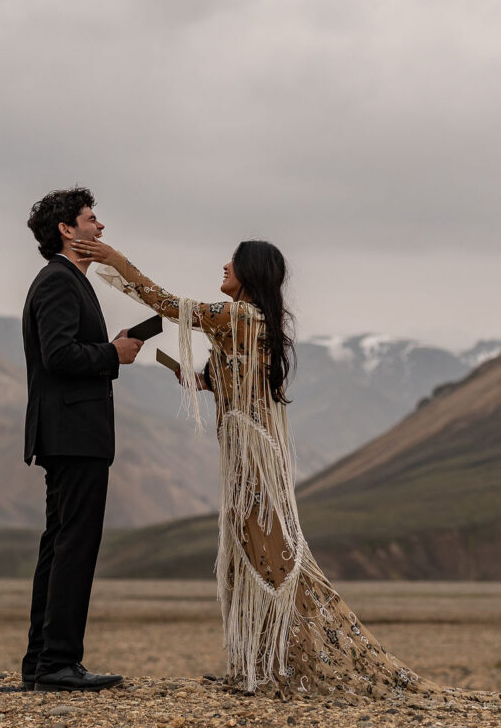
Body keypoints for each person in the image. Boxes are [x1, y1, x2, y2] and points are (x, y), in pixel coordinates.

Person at [72, 236, 441, 699]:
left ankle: (275, 665)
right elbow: (214, 381)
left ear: (251, 272)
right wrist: (172, 363)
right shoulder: (249, 323)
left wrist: (116, 261)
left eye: (234, 261)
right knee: (255, 551)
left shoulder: (240, 316)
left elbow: (169, 304)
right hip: (248, 449)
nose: (224, 265)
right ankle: (261, 665)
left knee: (262, 554)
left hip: (251, 454)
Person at [21, 187, 143, 693]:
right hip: (74, 434)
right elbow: (59, 355)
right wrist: (114, 354)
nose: (100, 227)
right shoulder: (58, 281)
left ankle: (43, 662)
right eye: (92, 219)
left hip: (71, 433)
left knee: (60, 542)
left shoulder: (68, 281)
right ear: (67, 231)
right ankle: (58, 663)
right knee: (75, 544)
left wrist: (109, 349)